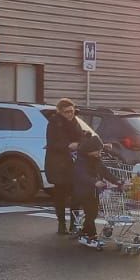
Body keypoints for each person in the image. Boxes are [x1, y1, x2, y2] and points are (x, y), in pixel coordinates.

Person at [45, 98, 86, 235]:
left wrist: (82, 141)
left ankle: (74, 224)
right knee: (60, 196)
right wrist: (68, 146)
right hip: (58, 164)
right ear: (60, 112)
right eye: (67, 112)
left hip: (73, 164)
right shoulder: (54, 124)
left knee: (76, 195)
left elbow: (80, 137)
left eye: (72, 111)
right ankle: (61, 223)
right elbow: (51, 143)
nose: (70, 114)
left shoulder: (75, 122)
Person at [73, 132, 117, 249]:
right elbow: (82, 175)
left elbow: (105, 172)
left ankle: (84, 232)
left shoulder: (96, 159)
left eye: (100, 150)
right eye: (97, 151)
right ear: (89, 150)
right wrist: (94, 181)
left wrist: (118, 181)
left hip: (93, 191)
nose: (99, 153)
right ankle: (91, 235)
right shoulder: (81, 160)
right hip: (83, 190)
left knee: (92, 213)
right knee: (91, 213)